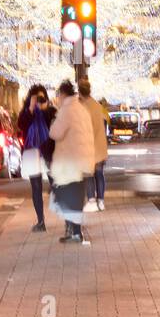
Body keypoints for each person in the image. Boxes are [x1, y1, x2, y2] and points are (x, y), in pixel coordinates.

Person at [48, 80, 96, 244]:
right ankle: (74, 231)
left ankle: (74, 232)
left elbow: (55, 133)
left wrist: (54, 120)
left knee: (64, 195)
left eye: (58, 96)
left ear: (62, 94)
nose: (58, 99)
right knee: (74, 197)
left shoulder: (66, 111)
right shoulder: (82, 110)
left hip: (69, 162)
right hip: (81, 161)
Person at [17, 84, 55, 231]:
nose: (39, 100)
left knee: (55, 183)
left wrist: (46, 108)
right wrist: (31, 109)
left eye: (41, 97)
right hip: (32, 153)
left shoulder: (49, 111)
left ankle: (68, 219)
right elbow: (21, 125)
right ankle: (41, 221)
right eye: (36, 97)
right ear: (30, 98)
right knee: (36, 187)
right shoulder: (26, 113)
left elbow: (54, 122)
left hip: (47, 151)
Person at [77, 79, 109, 210]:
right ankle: (101, 201)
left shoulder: (82, 107)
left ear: (80, 92)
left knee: (89, 175)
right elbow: (105, 122)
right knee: (99, 175)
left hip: (88, 147)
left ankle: (91, 200)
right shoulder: (97, 106)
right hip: (100, 146)